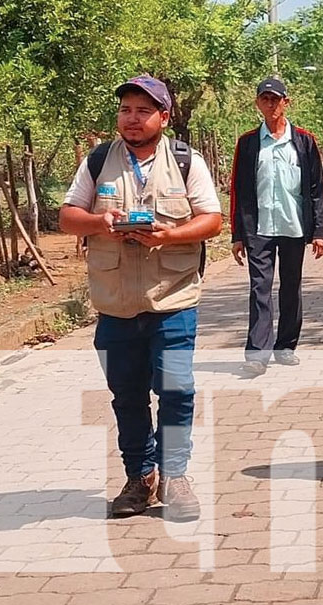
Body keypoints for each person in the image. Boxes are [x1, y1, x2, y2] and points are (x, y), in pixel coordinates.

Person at [59, 75, 224, 520]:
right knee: (126, 395)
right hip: (114, 304)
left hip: (173, 300)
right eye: (125, 110)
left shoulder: (188, 163)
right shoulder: (98, 162)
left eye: (143, 111)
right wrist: (101, 222)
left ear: (163, 117)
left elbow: (212, 220)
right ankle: (139, 477)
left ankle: (175, 476)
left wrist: (169, 236)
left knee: (176, 390)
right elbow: (68, 217)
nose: (132, 119)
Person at [228, 76, 323, 377]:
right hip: (258, 228)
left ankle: (286, 347)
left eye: (276, 99)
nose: (270, 104)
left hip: (294, 226)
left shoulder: (304, 141)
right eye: (264, 99)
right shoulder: (247, 143)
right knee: (259, 288)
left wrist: (320, 233)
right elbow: (239, 191)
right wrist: (237, 235)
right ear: (258, 103)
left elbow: (316, 189)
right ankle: (257, 354)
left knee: (290, 288)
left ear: (286, 102)